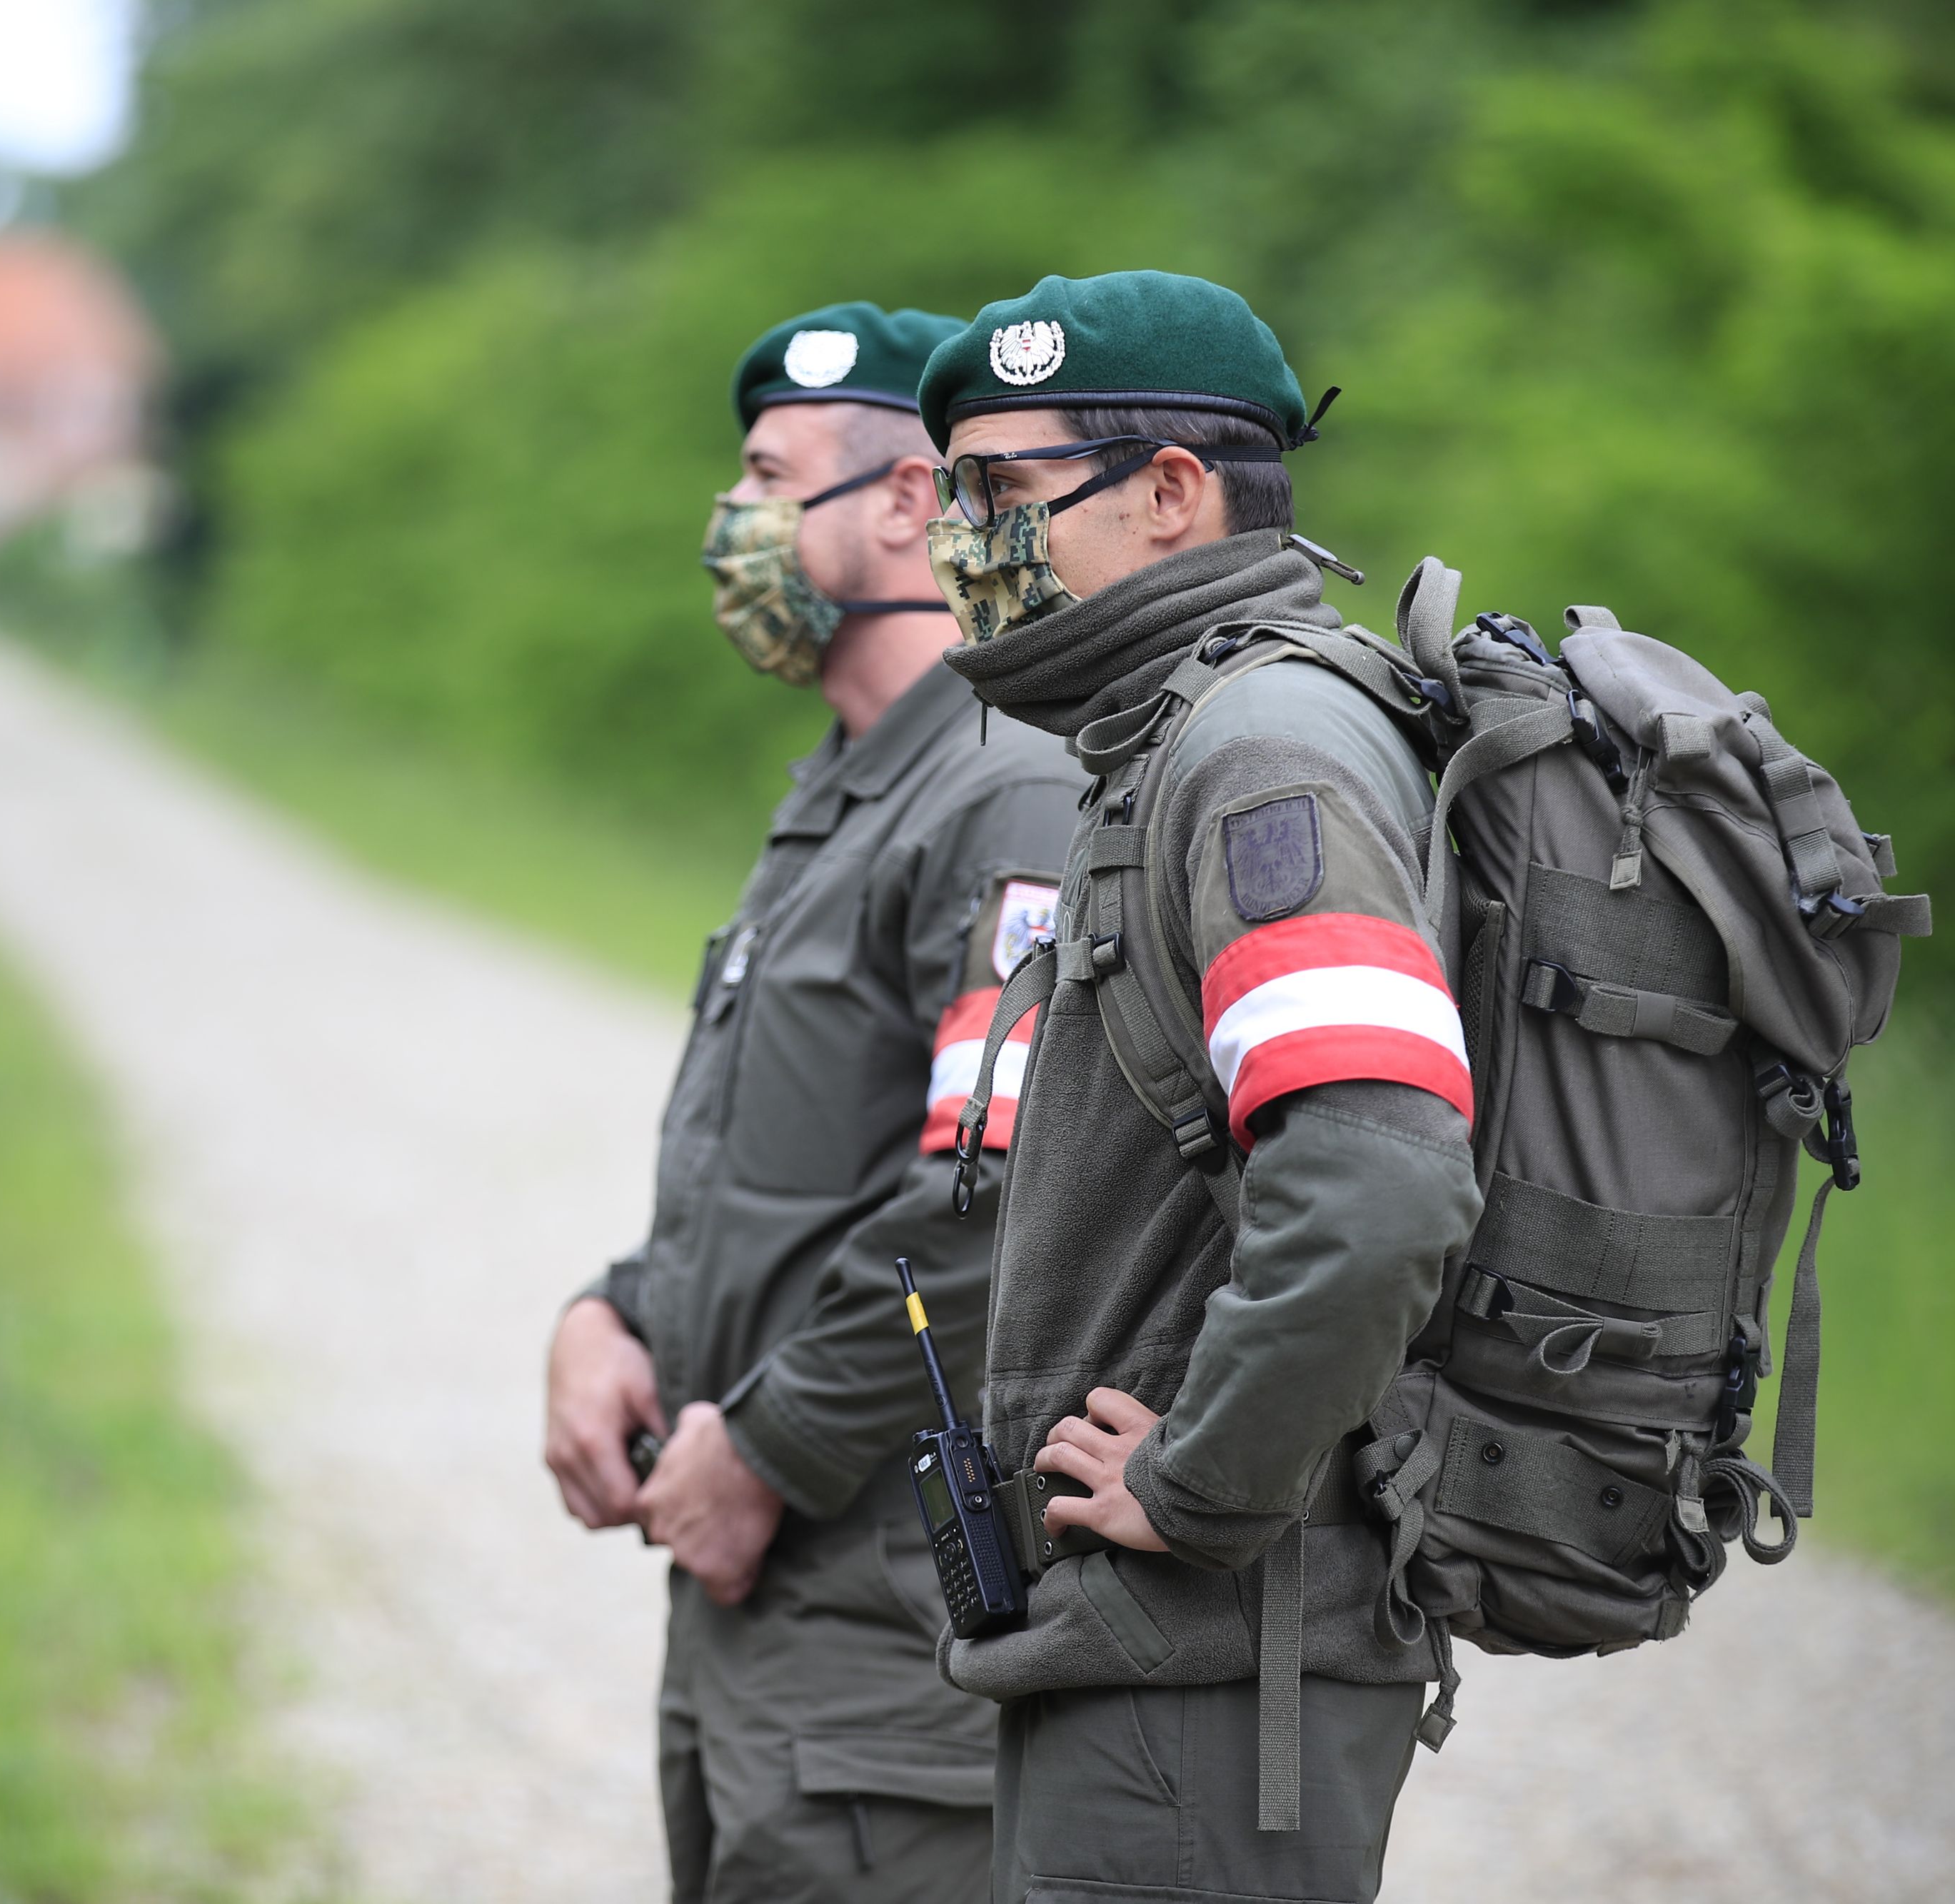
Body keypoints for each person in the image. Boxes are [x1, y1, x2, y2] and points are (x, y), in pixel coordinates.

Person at [914, 270, 1485, 1903]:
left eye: (998, 492)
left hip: (1214, 1662)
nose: (958, 540)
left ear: (1169, 493)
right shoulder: (1176, 737)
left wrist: (1202, 1476)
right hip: (1156, 1650)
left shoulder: (1259, 752)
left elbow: (1378, 1175)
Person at [542, 301, 1085, 1902]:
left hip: (881, 1621)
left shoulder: (1004, 790)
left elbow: (992, 1197)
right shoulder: (852, 790)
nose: (734, 521)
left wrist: (770, 1448)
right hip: (764, 1614)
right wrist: (614, 1311)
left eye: (770, 481)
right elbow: (778, 1168)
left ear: (910, 501)